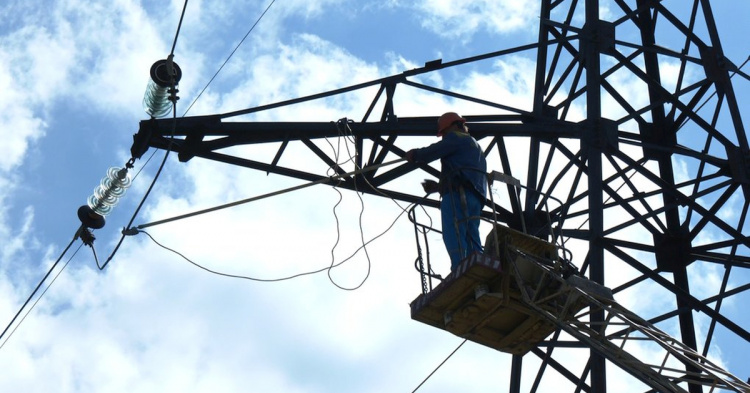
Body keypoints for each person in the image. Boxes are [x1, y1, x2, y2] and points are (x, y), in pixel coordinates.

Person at [406, 112, 488, 271]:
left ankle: (459, 268)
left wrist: (415, 154)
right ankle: (478, 268)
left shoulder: (456, 138)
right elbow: (465, 175)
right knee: (472, 235)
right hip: (475, 198)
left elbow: (434, 151)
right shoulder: (475, 146)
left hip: (458, 195)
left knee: (454, 232)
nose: (443, 136)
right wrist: (439, 187)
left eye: (443, 132)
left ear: (453, 126)